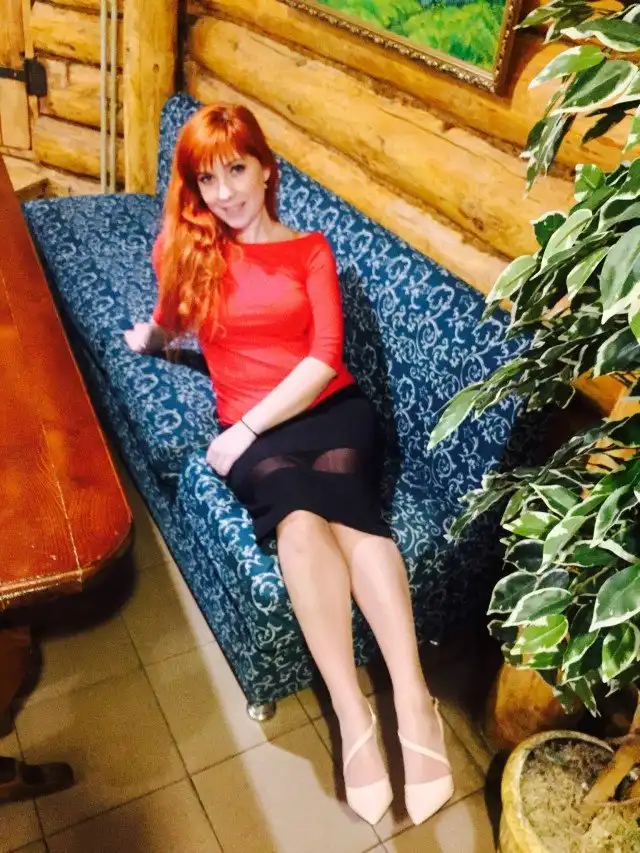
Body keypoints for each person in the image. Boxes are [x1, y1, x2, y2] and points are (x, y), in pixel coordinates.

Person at [124, 103, 453, 826]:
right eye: (207, 180)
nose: (225, 193)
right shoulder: (195, 250)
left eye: (236, 170)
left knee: (357, 525)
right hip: (259, 435)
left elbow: (325, 358)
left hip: (325, 408)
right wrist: (146, 337)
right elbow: (170, 318)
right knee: (300, 526)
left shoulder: (310, 250)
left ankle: (414, 703)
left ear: (267, 169)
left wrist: (243, 429)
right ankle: (352, 713)